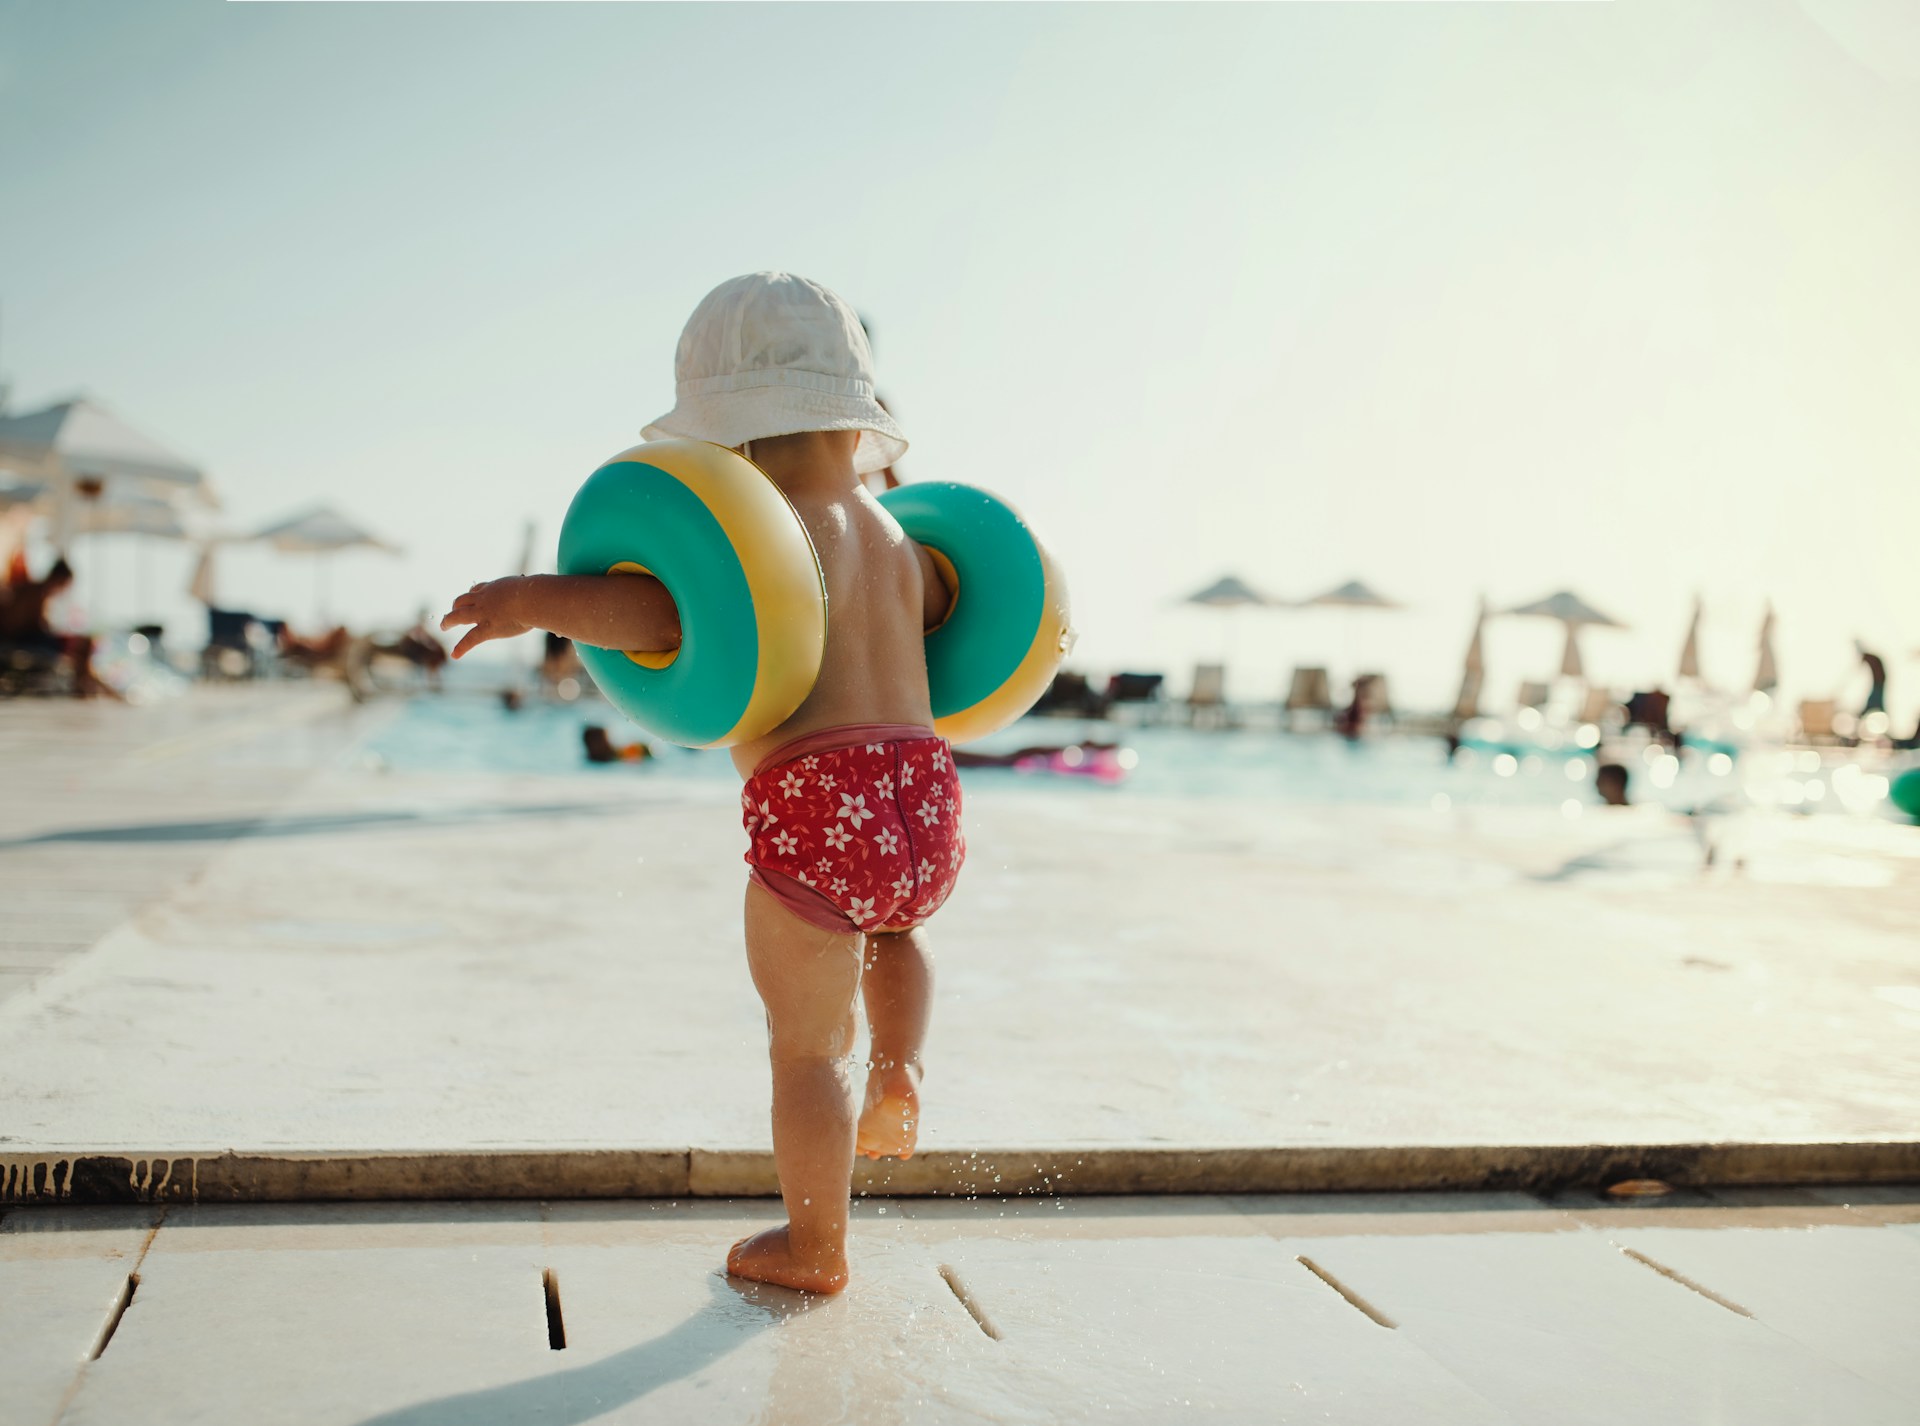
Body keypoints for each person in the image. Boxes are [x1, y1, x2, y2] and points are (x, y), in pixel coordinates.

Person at [441, 273, 955, 1295]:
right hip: (924, 796)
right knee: (895, 929)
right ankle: (902, 1064)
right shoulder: (900, 539)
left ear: (728, 435)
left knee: (806, 1049)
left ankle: (816, 1248)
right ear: (856, 417)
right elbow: (953, 612)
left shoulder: (764, 540)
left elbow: (658, 619)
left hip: (815, 800)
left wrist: (529, 597)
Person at [581, 724, 652, 764]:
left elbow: (647, 750)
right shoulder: (614, 755)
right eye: (605, 740)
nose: (608, 743)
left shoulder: (618, 754)